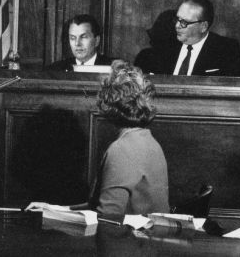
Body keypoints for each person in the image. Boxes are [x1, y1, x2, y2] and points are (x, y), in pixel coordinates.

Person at [27, 60, 169, 215]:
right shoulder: (149, 142)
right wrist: (55, 209)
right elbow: (99, 207)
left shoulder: (122, 149)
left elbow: (107, 218)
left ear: (109, 102)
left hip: (127, 237)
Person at [136, 0, 240, 76]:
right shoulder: (164, 43)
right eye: (177, 19)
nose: (177, 26)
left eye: (184, 22)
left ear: (203, 26)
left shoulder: (226, 49)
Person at [47, 14, 114, 71]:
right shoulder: (55, 69)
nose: (77, 43)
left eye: (83, 37)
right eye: (73, 38)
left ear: (96, 41)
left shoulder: (112, 68)